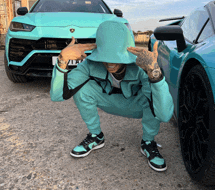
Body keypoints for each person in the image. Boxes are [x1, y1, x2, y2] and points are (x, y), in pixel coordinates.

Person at [50, 20, 174, 172]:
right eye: (106, 55)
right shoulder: (90, 64)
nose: (109, 62)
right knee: (81, 90)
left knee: (155, 94)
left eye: (115, 56)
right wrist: (62, 61)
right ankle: (96, 136)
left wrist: (155, 72)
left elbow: (164, 115)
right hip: (108, 102)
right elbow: (57, 95)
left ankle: (148, 142)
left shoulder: (141, 66)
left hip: (136, 107)